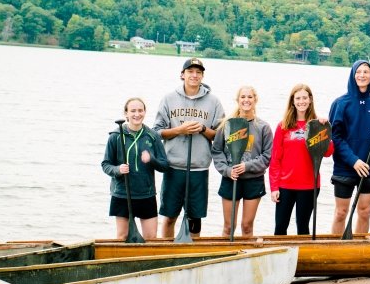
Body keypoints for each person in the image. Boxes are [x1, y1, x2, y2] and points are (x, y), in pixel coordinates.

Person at [154, 58, 224, 238]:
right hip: (173, 166)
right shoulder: (169, 99)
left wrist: (202, 129)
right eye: (190, 71)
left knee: (195, 219)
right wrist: (179, 130)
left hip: (198, 168)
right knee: (170, 217)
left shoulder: (213, 102)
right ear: (182, 74)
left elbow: (220, 135)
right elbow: (156, 132)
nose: (194, 75)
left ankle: (192, 256)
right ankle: (168, 254)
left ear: (202, 76)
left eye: (198, 72)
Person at [269, 84, 334, 235]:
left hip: (309, 185)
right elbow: (275, 159)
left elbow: (328, 152)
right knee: (280, 227)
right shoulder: (283, 126)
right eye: (298, 98)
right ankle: (280, 258)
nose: (301, 101)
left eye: (305, 98)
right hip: (285, 185)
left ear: (310, 100)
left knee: (303, 227)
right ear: (292, 101)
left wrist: (325, 130)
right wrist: (274, 187)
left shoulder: (317, 125)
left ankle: (301, 258)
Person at [328, 61, 370, 235]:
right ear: (353, 75)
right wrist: (354, 161)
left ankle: (359, 248)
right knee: (341, 213)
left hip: (369, 165)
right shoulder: (340, 103)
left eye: (366, 72)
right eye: (358, 72)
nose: (362, 75)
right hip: (345, 167)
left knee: (365, 212)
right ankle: (335, 251)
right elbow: (335, 137)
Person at [101, 98, 170, 240]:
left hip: (146, 194)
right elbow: (106, 164)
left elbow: (164, 166)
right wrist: (118, 170)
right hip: (122, 194)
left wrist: (152, 160)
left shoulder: (153, 136)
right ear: (126, 113)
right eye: (133, 111)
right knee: (122, 236)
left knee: (151, 238)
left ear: (145, 112)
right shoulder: (115, 136)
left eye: (140, 110)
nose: (137, 114)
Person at [211, 86, 273, 237]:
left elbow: (267, 156)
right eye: (243, 97)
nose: (246, 100)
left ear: (255, 99)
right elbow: (217, 151)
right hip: (230, 179)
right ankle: (225, 258)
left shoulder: (263, 127)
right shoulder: (226, 125)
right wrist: (227, 170)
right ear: (237, 100)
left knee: (247, 226)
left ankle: (246, 258)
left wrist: (247, 166)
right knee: (228, 227)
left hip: (253, 180)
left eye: (250, 97)